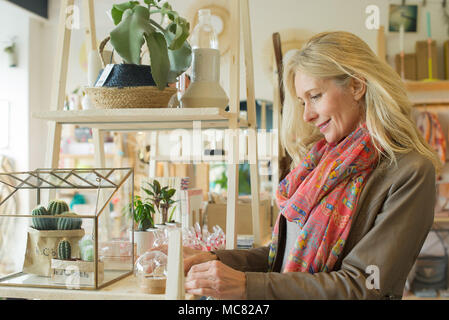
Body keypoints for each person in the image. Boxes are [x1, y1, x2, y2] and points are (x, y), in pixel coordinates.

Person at [164, 31, 441, 300]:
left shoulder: (409, 172)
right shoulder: (319, 163)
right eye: (301, 102)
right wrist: (214, 260)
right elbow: (282, 257)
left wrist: (248, 286)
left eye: (316, 96)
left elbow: (364, 285)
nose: (307, 115)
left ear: (356, 86)